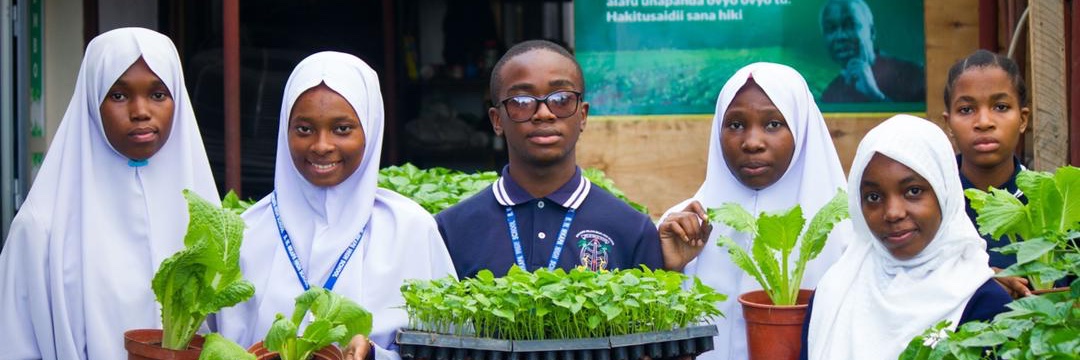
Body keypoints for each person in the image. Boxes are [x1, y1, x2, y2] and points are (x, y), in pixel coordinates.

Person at [213, 52, 456, 360]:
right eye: (304, 129)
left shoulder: (411, 230)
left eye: (342, 129)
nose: (321, 145)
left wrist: (373, 355)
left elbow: (451, 349)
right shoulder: (248, 232)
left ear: (370, 129)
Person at [0, 28, 219, 359]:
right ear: (91, 101)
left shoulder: (211, 226)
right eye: (118, 95)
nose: (140, 111)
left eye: (158, 94)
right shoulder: (41, 230)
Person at [658, 62, 850, 360]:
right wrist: (666, 268)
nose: (752, 143)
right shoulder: (683, 228)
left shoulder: (846, 232)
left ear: (802, 128)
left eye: (773, 124)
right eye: (735, 125)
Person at [436, 40, 662, 279]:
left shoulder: (632, 230)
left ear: (582, 115)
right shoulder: (451, 230)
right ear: (497, 120)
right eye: (522, 102)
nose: (544, 113)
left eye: (562, 99)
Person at [801, 115, 1011, 360]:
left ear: (944, 192)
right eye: (873, 197)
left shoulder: (983, 303)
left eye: (913, 191)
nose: (893, 213)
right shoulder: (835, 292)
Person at [943, 49, 1033, 298]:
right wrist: (980, 280)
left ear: (1023, 119)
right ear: (948, 123)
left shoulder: (1052, 203)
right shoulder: (931, 201)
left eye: (1001, 107)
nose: (984, 121)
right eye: (966, 110)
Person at [819, 0, 925, 103]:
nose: (840, 37)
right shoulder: (829, 96)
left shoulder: (913, 74)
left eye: (850, 25)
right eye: (830, 28)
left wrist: (876, 96)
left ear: (872, 32)